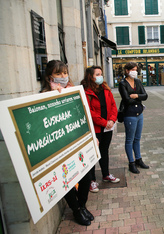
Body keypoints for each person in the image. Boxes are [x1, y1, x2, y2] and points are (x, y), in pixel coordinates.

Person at [41, 60, 93, 226]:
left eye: (65, 73)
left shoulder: (74, 91)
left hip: (77, 141)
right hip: (59, 146)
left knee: (85, 175)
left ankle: (82, 204)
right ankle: (76, 210)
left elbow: (83, 115)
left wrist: (92, 136)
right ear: (50, 76)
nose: (63, 77)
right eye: (58, 74)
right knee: (66, 181)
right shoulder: (43, 95)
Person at [81, 66, 120, 192]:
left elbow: (114, 106)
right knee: (93, 154)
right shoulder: (86, 91)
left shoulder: (106, 89)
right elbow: (90, 112)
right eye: (97, 74)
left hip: (107, 127)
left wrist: (112, 120)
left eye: (101, 73)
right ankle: (92, 180)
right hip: (96, 128)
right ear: (90, 76)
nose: (100, 76)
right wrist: (104, 123)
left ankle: (106, 174)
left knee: (104, 151)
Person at [119, 62, 149, 174]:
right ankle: (131, 163)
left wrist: (136, 96)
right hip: (129, 114)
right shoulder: (123, 83)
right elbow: (126, 100)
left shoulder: (138, 81)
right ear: (126, 70)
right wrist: (138, 98)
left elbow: (145, 96)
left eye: (136, 69)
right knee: (129, 140)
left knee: (137, 139)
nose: (134, 72)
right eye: (132, 69)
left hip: (139, 113)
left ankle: (138, 159)